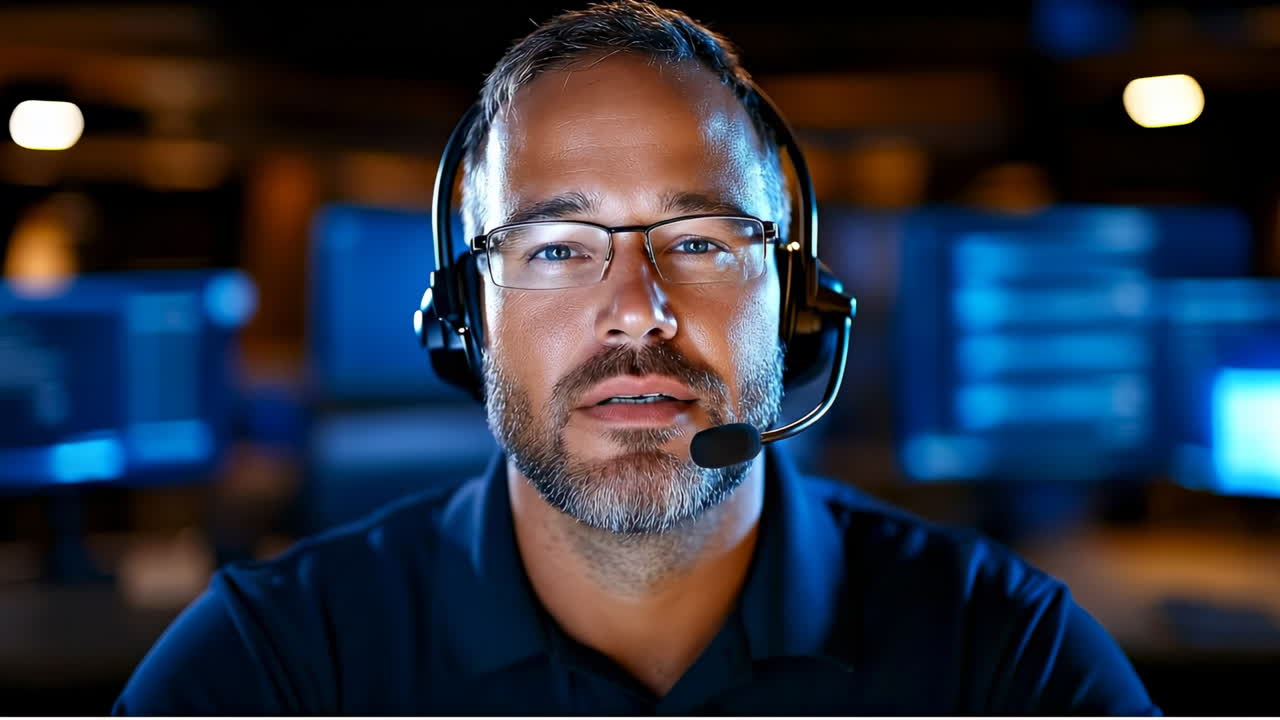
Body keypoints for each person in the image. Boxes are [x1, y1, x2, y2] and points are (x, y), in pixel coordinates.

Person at [115, 1, 1160, 714]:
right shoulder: (281, 665)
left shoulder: (1003, 654)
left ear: (796, 305)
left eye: (700, 241)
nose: (635, 312)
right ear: (464, 321)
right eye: (557, 249)